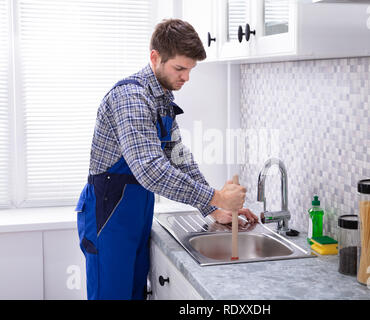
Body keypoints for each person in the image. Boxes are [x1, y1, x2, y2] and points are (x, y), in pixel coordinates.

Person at [74, 18, 258, 300]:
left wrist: (211, 207)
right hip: (108, 216)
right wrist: (216, 197)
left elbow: (178, 157)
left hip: (136, 213)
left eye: (190, 70)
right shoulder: (131, 98)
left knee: (135, 294)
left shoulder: (161, 99)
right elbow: (150, 170)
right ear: (155, 58)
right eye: (180, 68)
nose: (186, 77)